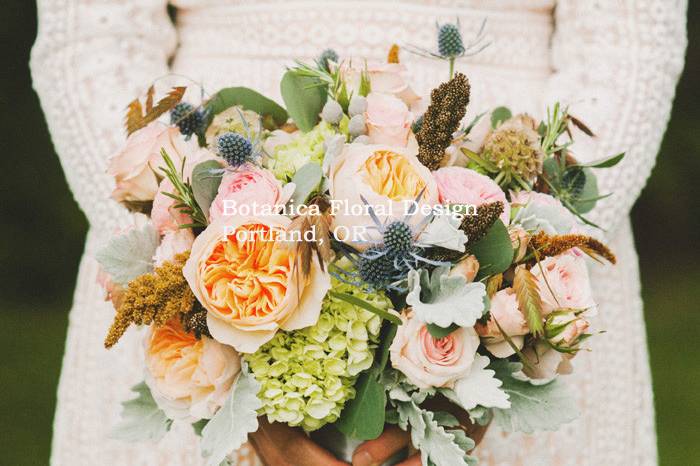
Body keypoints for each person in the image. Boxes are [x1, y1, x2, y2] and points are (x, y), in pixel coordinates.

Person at [31, 1, 687, 465]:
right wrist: (213, 297)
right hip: (207, 221)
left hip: (510, 225)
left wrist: (503, 306)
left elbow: (627, 43)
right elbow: (92, 40)